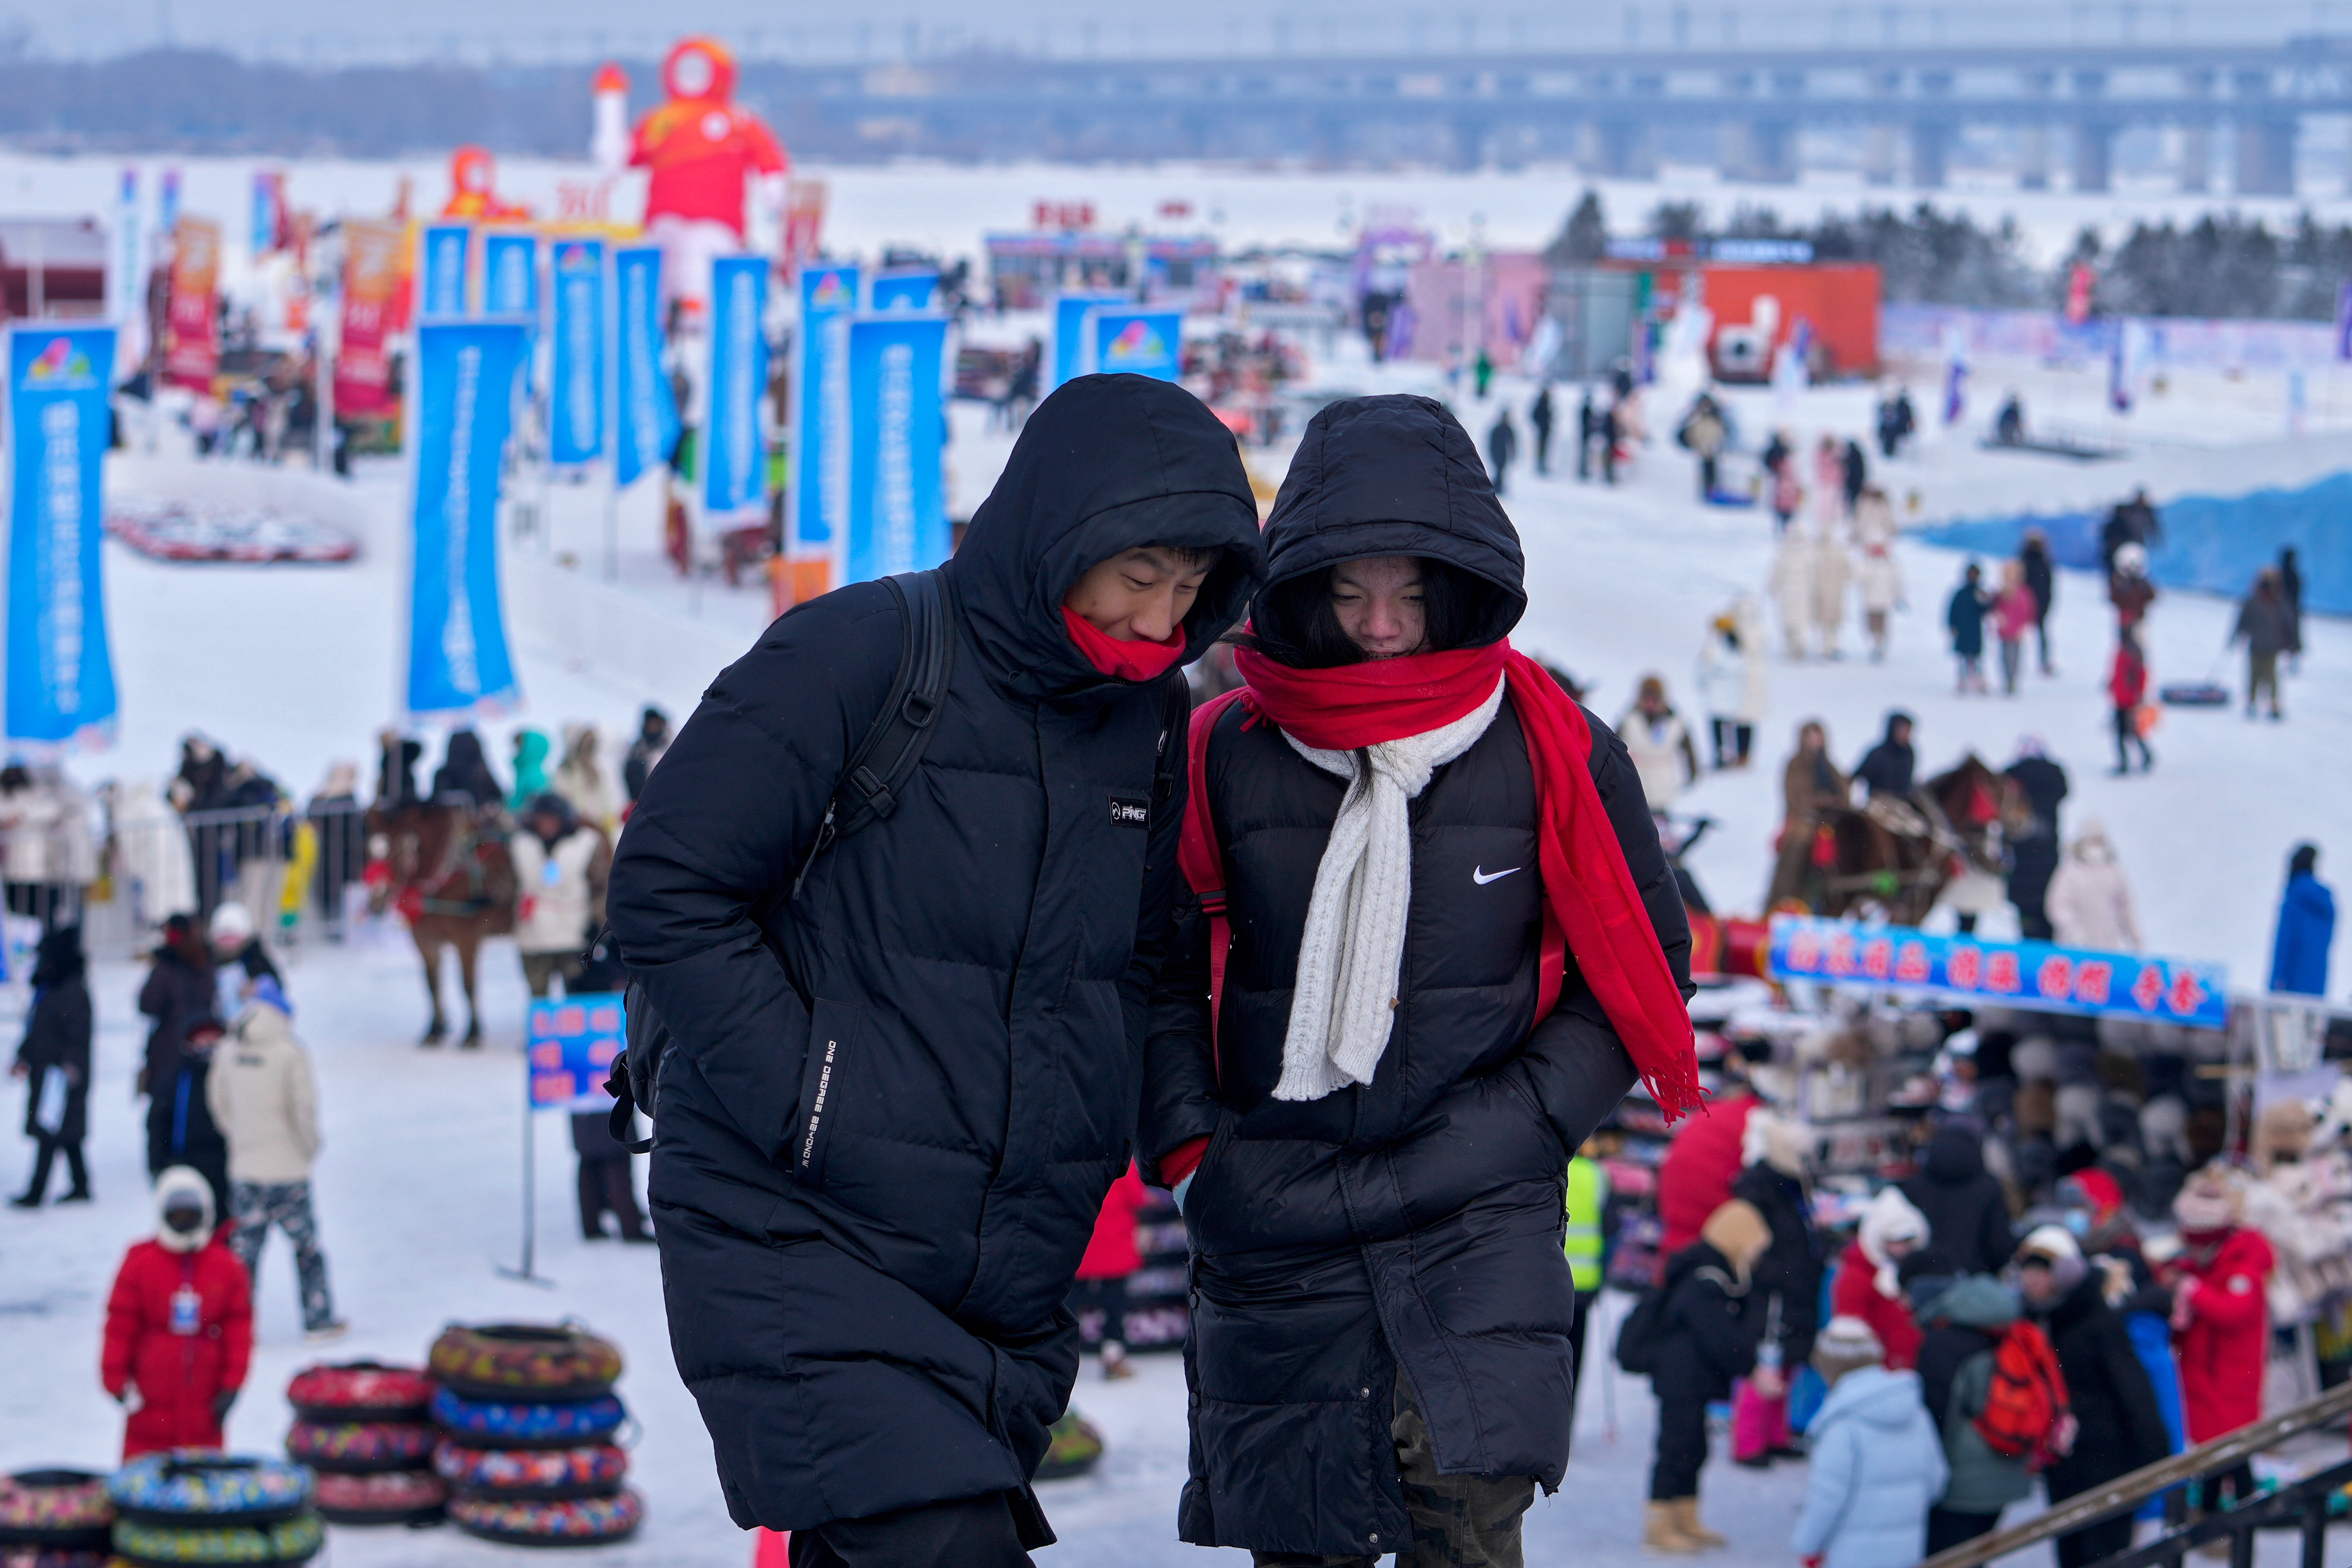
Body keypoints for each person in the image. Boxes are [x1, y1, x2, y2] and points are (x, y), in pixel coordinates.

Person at [606, 373, 1266, 1564]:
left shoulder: (1147, 719)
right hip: (798, 1226)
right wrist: (811, 1102)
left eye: (1187, 592)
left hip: (996, 1265)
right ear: (1060, 531)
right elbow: (667, 887)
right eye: (1138, 576)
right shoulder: (864, 648)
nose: (1157, 621)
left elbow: (1149, 956)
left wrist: (1168, 1129)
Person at [1138, 393, 1699, 1567]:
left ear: (1459, 581)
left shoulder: (1551, 745)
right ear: (1299, 589)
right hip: (1274, 1219)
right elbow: (1150, 971)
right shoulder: (1220, 752)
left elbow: (1639, 972)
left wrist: (1517, 1120)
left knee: (1468, 1531)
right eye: (1347, 592)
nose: (1383, 626)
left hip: (1475, 1215)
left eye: (1407, 590)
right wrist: (1195, 1152)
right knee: (1299, 1537)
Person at [2016, 1225, 2172, 1568]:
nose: (2031, 1282)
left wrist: (2155, 1456)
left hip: (2108, 1460)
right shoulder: (2039, 1320)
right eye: (2027, 1273)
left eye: (2040, 1273)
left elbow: (2134, 1390)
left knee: (2102, 1555)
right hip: (2065, 1464)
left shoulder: (2097, 1321)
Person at [207, 976, 344, 1343]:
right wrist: (308, 1148)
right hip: (289, 1171)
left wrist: (238, 1139)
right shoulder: (290, 1051)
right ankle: (318, 1319)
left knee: (244, 1255)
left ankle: (237, 1327)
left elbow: (218, 1102)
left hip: (246, 1169)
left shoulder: (228, 1049)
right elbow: (304, 1109)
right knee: (306, 1248)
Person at [101, 1166, 253, 1458]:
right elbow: (120, 1323)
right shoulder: (140, 1262)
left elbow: (240, 1328)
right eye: (177, 1215)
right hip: (149, 1391)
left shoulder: (226, 1266)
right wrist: (115, 1377)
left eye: (191, 1215)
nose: (184, 1223)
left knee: (203, 1476)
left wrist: (233, 1383)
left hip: (206, 1393)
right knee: (145, 1468)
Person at [1644, 1199, 1769, 1554]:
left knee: (1693, 1449)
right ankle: (1659, 1524)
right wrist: (1751, 1368)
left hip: (1691, 1378)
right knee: (1676, 1448)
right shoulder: (1704, 1277)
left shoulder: (1717, 1271)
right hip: (1679, 1378)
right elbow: (1719, 1335)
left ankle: (1685, 1516)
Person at [2160, 1168, 2274, 1524]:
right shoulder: (2206, 1263)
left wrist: (2195, 1292)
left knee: (2233, 1455)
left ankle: (2233, 1524)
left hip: (2232, 1376)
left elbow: (2235, 1312)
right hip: (2205, 1375)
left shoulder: (2243, 1263)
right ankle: (2215, 1522)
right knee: (2214, 1456)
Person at [1788, 1315, 1945, 1568]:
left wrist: (1808, 1545)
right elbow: (1936, 1480)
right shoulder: (1916, 1411)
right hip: (1906, 1552)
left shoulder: (1841, 1423)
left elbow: (1827, 1500)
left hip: (1850, 1556)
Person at [1914, 1274, 2040, 1555]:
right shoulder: (2015, 1335)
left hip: (1959, 1486)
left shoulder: (1942, 1347)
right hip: (2008, 1472)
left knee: (1946, 1558)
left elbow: (1939, 1419)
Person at [1730, 1111, 1822, 1469]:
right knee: (1767, 1363)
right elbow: (1749, 1240)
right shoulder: (1760, 1188)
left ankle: (1775, 1434)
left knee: (1786, 1361)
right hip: (1774, 1293)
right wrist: (1774, 1273)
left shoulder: (1790, 1185)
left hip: (1794, 1286)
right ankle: (1749, 1442)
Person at [139, 916, 228, 1216]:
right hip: (206, 1038)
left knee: (174, 1107)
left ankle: (178, 1155)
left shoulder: (168, 966)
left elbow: (147, 1004)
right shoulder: (207, 961)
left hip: (173, 1048)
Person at [9, 924, 93, 1207]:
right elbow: (37, 1030)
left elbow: (79, 1035)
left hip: (61, 1075)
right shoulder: (49, 990)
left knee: (50, 1130)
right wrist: (23, 1055)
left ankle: (37, 1191)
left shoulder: (72, 992)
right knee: (66, 1132)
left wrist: (70, 1066)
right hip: (47, 1070)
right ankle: (81, 1184)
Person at [510, 793, 611, 1000]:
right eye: (542, 820)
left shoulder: (587, 843)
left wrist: (598, 924)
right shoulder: (519, 844)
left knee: (577, 995)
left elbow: (601, 888)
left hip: (574, 933)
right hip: (533, 935)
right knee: (538, 997)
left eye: (551, 820)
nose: (546, 826)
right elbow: (508, 885)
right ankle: (544, 1033)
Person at [1899, 1123, 2017, 1279]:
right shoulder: (1989, 1188)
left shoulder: (1914, 1188)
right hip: (1974, 1280)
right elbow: (2000, 1245)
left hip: (1923, 1278)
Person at [1831, 1187, 1929, 1371]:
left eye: (1906, 1240)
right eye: (1893, 1240)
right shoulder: (1856, 1276)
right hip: (1880, 1371)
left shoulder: (1922, 1269)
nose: (1901, 1248)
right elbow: (1850, 1340)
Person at [1069, 1162, 1148, 1382]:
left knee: (1069, 1305)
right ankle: (1112, 1359)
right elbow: (1137, 1197)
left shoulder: (1077, 1157)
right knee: (1114, 1305)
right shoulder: (1123, 1159)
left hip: (1081, 1243)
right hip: (1115, 1244)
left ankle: (1059, 1358)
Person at [1766, 721, 1847, 910]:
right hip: (1804, 819)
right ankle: (1787, 896)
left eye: (1818, 736)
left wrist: (1838, 804)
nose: (1815, 741)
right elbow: (1797, 797)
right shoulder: (1796, 765)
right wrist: (1824, 802)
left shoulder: (1828, 765)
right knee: (1800, 840)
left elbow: (1844, 790)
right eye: (1811, 737)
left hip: (1831, 820)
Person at [2004, 739, 2069, 940]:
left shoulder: (2012, 780)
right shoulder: (2054, 780)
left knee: (2028, 923)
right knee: (2049, 916)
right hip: (2050, 859)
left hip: (2020, 862)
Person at [1693, 598, 1766, 769]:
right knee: (1732, 722)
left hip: (1736, 690)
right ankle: (1733, 755)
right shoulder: (1735, 636)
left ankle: (1737, 756)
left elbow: (1731, 661)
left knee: (1737, 722)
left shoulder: (1743, 636)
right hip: (1729, 691)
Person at [2048, 820, 2141, 951]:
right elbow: (2058, 905)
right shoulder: (2071, 872)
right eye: (2092, 840)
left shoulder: (2113, 873)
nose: (2096, 845)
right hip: (2075, 949)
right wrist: (2073, 930)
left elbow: (2124, 909)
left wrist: (2135, 937)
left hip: (2108, 949)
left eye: (2099, 840)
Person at [1564, 1138, 1611, 1383]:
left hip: (1549, 1278)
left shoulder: (1554, 1169)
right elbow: (1611, 1226)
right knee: (1573, 1361)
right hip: (1583, 1283)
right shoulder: (1597, 1175)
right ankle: (1567, 1417)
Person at [1619, 674, 1701, 813]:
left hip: (1664, 780)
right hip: (1638, 778)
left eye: (1655, 700)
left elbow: (1688, 750)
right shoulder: (1630, 719)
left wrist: (1693, 773)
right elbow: (1613, 747)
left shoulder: (1675, 721)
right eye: (1647, 699)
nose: (1651, 704)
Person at [2269, 842, 2335, 996]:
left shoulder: (2294, 900)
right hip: (2316, 983)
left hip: (2289, 984)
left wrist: (2276, 982)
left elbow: (2286, 943)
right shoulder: (2326, 903)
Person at [2231, 568, 2293, 721]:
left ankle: (2270, 705)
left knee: (2268, 677)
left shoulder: (2276, 603)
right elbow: (2242, 622)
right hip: (2260, 645)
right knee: (2257, 676)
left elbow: (2288, 624)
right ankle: (2255, 703)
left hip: (2271, 646)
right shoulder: (2256, 602)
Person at [1851, 485, 1903, 662]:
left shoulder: (1876, 505)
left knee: (1876, 622)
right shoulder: (1869, 504)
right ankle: (1878, 643)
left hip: (1874, 598)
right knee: (1878, 622)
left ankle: (1878, 643)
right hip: (1870, 541)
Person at [554, 722, 621, 834]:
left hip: (605, 827)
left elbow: (612, 797)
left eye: (590, 745)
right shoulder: (566, 772)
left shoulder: (599, 769)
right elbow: (563, 801)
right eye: (585, 745)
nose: (587, 749)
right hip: (578, 829)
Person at [2107, 630, 2154, 776]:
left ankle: (2129, 762)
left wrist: (2138, 696)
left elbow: (2141, 676)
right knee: (2125, 733)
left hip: (2129, 702)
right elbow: (2117, 673)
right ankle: (2135, 759)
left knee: (2127, 732)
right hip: (2120, 700)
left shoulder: (2132, 654)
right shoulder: (2122, 653)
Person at [1991, 559, 2037, 697]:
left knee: (2013, 656)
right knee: (2005, 656)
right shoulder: (2003, 592)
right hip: (2005, 631)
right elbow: (1996, 607)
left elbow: (2027, 611)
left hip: (2016, 631)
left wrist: (2023, 626)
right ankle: (2008, 679)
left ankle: (2012, 680)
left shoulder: (2023, 593)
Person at [1811, 513, 1853, 660]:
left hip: (1821, 594)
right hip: (1836, 594)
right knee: (1833, 623)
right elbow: (1850, 572)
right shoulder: (1839, 553)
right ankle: (1832, 647)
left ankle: (1827, 648)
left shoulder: (1815, 554)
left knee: (1825, 624)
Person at [1769, 525, 1815, 658]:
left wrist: (1774, 588)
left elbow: (1777, 574)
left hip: (1788, 593)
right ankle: (1799, 645)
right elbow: (1812, 576)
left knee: (1788, 620)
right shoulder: (1808, 554)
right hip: (1802, 593)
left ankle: (1792, 647)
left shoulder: (1784, 553)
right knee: (1801, 620)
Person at [429, 728, 503, 810]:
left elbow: (435, 804)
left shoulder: (443, 775)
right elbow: (500, 798)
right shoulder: (482, 774)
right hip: (477, 821)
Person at [1851, 711, 1916, 802]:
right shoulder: (1877, 754)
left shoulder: (1909, 754)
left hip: (1903, 802)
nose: (1906, 734)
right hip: (1879, 802)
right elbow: (1857, 777)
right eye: (1903, 730)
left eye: (1908, 730)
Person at [1947, 562, 1989, 694]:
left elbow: (1986, 610)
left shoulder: (1980, 593)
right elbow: (1952, 612)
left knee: (1976, 659)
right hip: (1962, 631)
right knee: (1963, 659)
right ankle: (1963, 682)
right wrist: (1952, 627)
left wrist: (1986, 602)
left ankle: (1979, 682)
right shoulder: (1961, 594)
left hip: (1975, 631)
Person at [2020, 527, 2057, 675]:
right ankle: (2020, 664)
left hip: (2040, 603)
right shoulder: (2026, 560)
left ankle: (2043, 662)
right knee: (2021, 635)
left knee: (2039, 634)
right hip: (2027, 603)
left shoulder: (2043, 561)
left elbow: (2048, 585)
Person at [1678, 392, 1728, 501]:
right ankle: (1707, 489)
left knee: (1712, 466)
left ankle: (1713, 488)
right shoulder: (1696, 416)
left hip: (1712, 445)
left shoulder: (1716, 416)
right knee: (1706, 466)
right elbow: (1684, 431)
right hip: (1702, 445)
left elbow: (1723, 429)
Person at [2100, 488, 2161, 575]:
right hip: (2123, 550)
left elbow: (2154, 529)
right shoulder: (2127, 516)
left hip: (2135, 546)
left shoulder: (2147, 512)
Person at [622, 706, 670, 803]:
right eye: (650, 724)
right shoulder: (633, 751)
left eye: (656, 724)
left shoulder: (668, 750)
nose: (652, 728)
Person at [2109, 541, 2157, 634]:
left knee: (2138, 640)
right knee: (2127, 641)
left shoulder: (2142, 583)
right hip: (2125, 618)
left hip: (2139, 618)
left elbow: (2151, 596)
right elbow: (2114, 598)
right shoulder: (2119, 581)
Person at [508, 729, 553, 812]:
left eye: (520, 748)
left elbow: (533, 810)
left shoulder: (534, 777)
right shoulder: (525, 773)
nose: (517, 753)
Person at [2278, 544, 2304, 671]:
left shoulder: (2284, 574)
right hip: (2290, 609)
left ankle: (2292, 664)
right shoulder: (2293, 574)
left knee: (2290, 637)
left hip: (2287, 609)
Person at [1485, 403, 1518, 497]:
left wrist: (1513, 453)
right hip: (1497, 453)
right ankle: (1497, 486)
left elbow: (1512, 442)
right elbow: (1491, 442)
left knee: (1501, 470)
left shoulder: (1506, 429)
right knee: (1499, 470)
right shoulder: (1499, 429)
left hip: (1503, 453)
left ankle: (1497, 486)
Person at [1529, 383, 1555, 475]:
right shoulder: (1542, 404)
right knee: (1542, 448)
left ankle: (1542, 465)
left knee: (1545, 448)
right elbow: (1535, 416)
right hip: (1543, 429)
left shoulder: (1545, 403)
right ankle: (1540, 466)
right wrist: (1542, 424)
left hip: (1545, 429)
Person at [1576, 386, 1597, 481]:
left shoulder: (1585, 409)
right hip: (1585, 434)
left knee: (1585, 453)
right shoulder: (1587, 410)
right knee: (1584, 453)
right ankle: (1582, 471)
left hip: (1585, 434)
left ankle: (1583, 471)